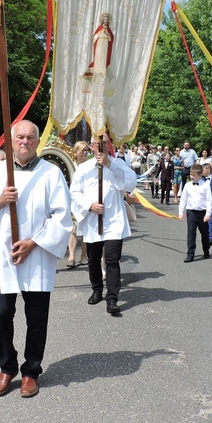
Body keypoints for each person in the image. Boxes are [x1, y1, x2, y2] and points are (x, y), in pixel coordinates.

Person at [0, 120, 71, 398]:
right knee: (1, 314)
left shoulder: (51, 173)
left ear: (38, 142)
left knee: (36, 318)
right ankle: (7, 367)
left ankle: (30, 371)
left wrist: (33, 242)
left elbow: (62, 217)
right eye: (20, 137)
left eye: (30, 138)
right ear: (11, 141)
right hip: (4, 256)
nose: (25, 142)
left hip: (37, 255)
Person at [71, 135, 137, 315]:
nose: (100, 146)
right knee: (93, 260)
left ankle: (112, 298)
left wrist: (109, 164)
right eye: (96, 143)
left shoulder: (118, 164)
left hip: (113, 221)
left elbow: (130, 182)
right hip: (93, 221)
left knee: (112, 260)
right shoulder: (84, 168)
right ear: (91, 146)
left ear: (110, 145)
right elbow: (75, 192)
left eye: (104, 142)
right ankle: (97, 289)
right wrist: (89, 206)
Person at [178, 164, 212, 262]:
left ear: (201, 175)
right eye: (191, 175)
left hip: (202, 212)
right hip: (191, 212)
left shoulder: (205, 185)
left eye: (194, 175)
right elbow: (183, 199)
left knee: (204, 233)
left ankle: (206, 250)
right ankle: (190, 254)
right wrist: (181, 212)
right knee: (191, 233)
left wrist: (208, 213)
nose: (192, 177)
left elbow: (209, 200)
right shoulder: (188, 185)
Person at [67, 141, 90, 267]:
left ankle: (83, 255)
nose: (85, 153)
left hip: (86, 200)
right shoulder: (70, 164)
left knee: (85, 229)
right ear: (76, 152)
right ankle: (71, 256)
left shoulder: (90, 165)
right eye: (83, 150)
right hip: (73, 201)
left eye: (87, 150)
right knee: (73, 229)